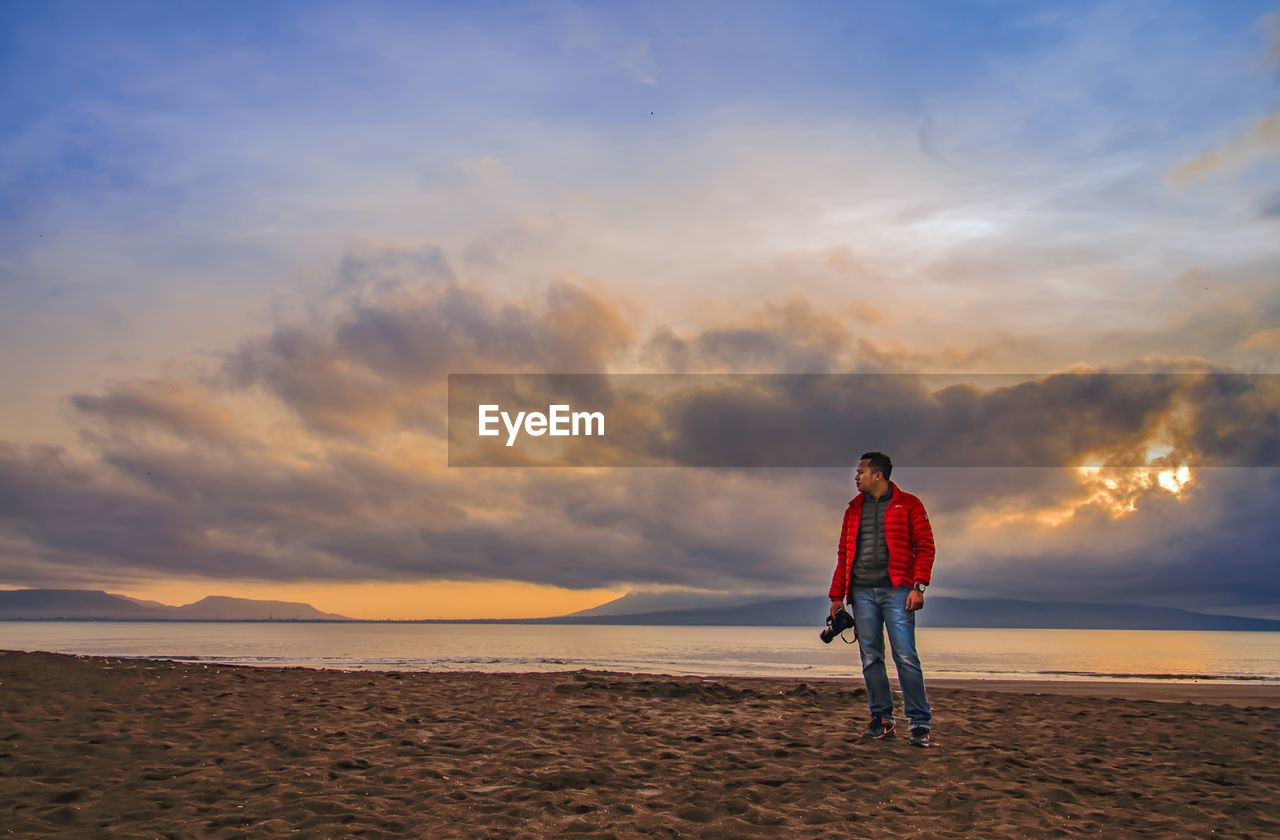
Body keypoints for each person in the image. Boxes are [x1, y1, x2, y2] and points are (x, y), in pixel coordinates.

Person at [828, 451, 936, 747]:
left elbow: (925, 547)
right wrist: (836, 595)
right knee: (871, 658)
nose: (856, 476)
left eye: (861, 471)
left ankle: (920, 723)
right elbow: (843, 555)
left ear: (878, 475)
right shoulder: (852, 510)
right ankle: (882, 719)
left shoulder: (910, 504)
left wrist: (919, 586)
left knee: (905, 656)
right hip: (861, 592)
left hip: (898, 591)